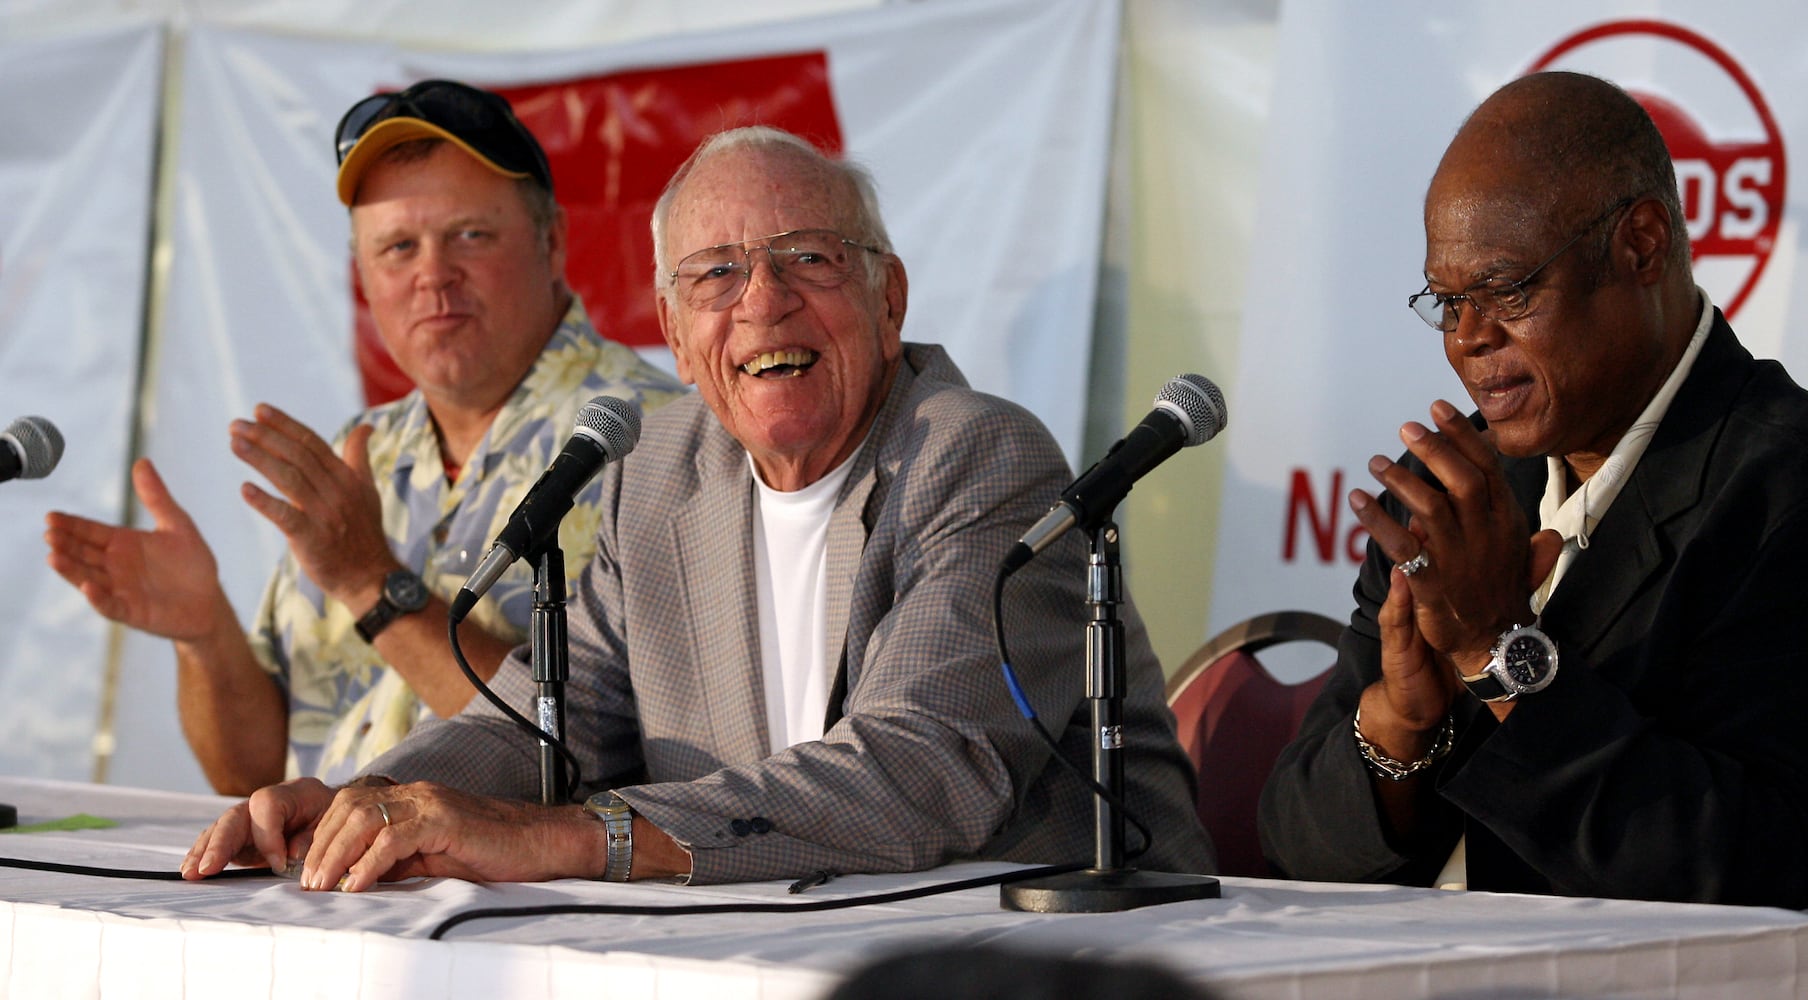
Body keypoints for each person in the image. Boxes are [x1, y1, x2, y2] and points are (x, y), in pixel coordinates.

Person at [179, 125, 1215, 889]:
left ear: (888, 299)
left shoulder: (980, 456)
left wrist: (578, 836)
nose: (762, 300)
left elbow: (917, 769)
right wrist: (370, 800)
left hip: (1041, 958)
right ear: (675, 339)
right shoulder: (658, 468)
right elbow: (560, 717)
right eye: (716, 274)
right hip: (763, 947)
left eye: (808, 257)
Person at [1258, 71, 1808, 907]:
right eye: (1448, 303)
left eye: (1508, 291)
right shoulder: (1442, 495)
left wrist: (1498, 654)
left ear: (1642, 244)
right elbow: (1296, 849)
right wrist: (1402, 730)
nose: (1470, 340)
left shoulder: (1781, 490)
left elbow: (1753, 868)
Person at [44, 80, 684, 795]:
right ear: (364, 278)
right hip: (328, 897)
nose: (432, 276)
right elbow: (249, 773)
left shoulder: (657, 439)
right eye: (398, 247)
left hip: (527, 906)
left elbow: (599, 755)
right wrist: (205, 635)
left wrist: (370, 584)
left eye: (470, 235)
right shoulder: (363, 449)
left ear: (553, 241)